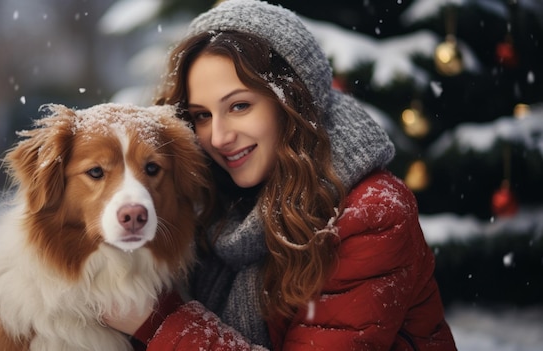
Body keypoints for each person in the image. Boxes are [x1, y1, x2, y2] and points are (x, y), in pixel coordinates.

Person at [104, 0, 457, 350]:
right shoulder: (212, 198)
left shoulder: (371, 214)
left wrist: (160, 322)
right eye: (201, 116)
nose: (219, 136)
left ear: (292, 102)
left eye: (239, 105)